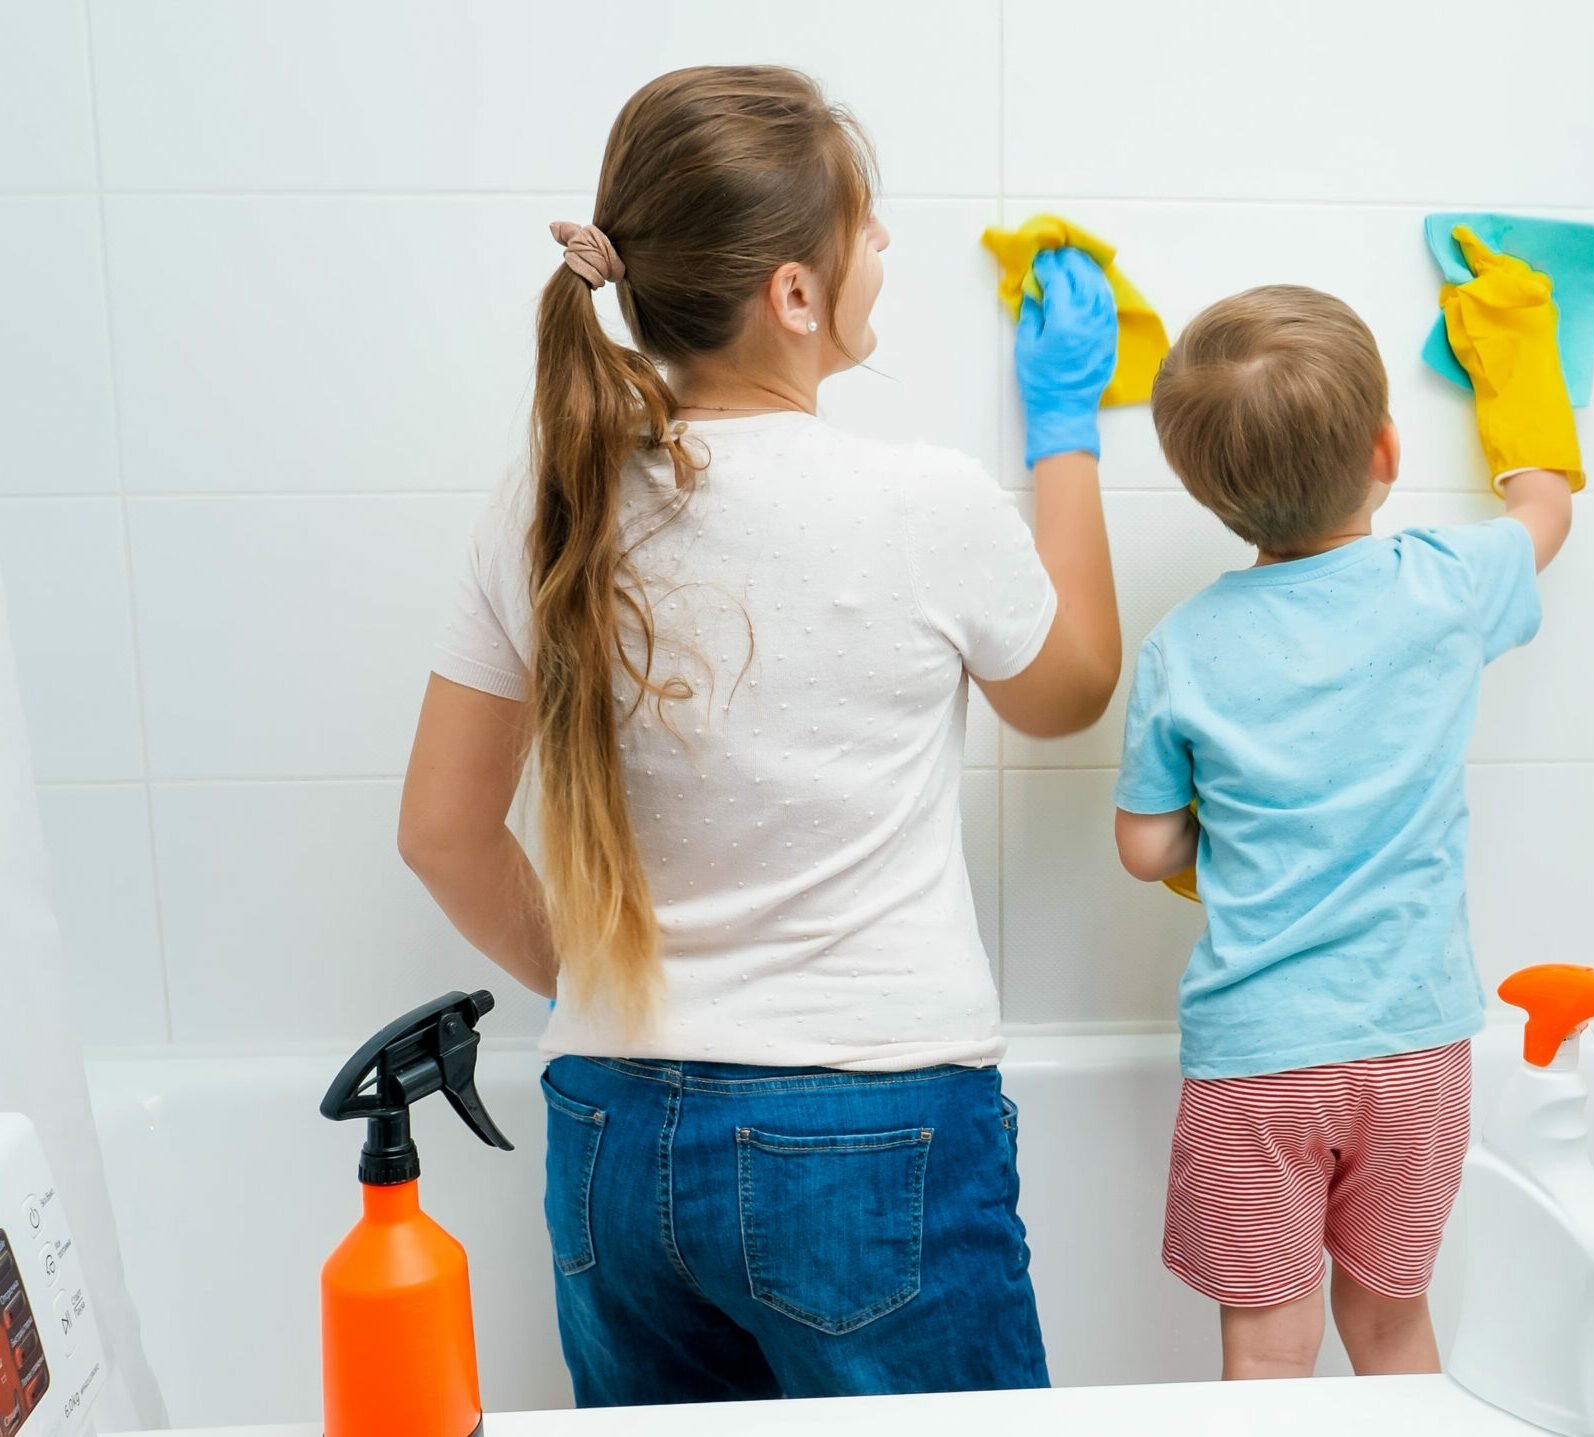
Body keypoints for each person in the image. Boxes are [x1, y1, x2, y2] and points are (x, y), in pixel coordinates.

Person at [396, 65, 1122, 1404]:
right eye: (869, 227)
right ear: (795, 294)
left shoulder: (544, 499)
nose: (888, 248)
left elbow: (441, 833)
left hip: (607, 1134)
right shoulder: (919, 501)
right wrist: (1067, 439)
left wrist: (596, 980)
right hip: (867, 1125)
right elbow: (1069, 689)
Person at [1111, 276, 1579, 1380]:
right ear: (1385, 450)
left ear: (1202, 488)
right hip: (1415, 1045)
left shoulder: (1185, 645)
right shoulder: (1447, 581)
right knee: (1392, 1318)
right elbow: (1545, 510)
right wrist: (1518, 359)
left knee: (1271, 1351)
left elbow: (1142, 848)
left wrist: (1207, 843)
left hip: (1261, 1058)